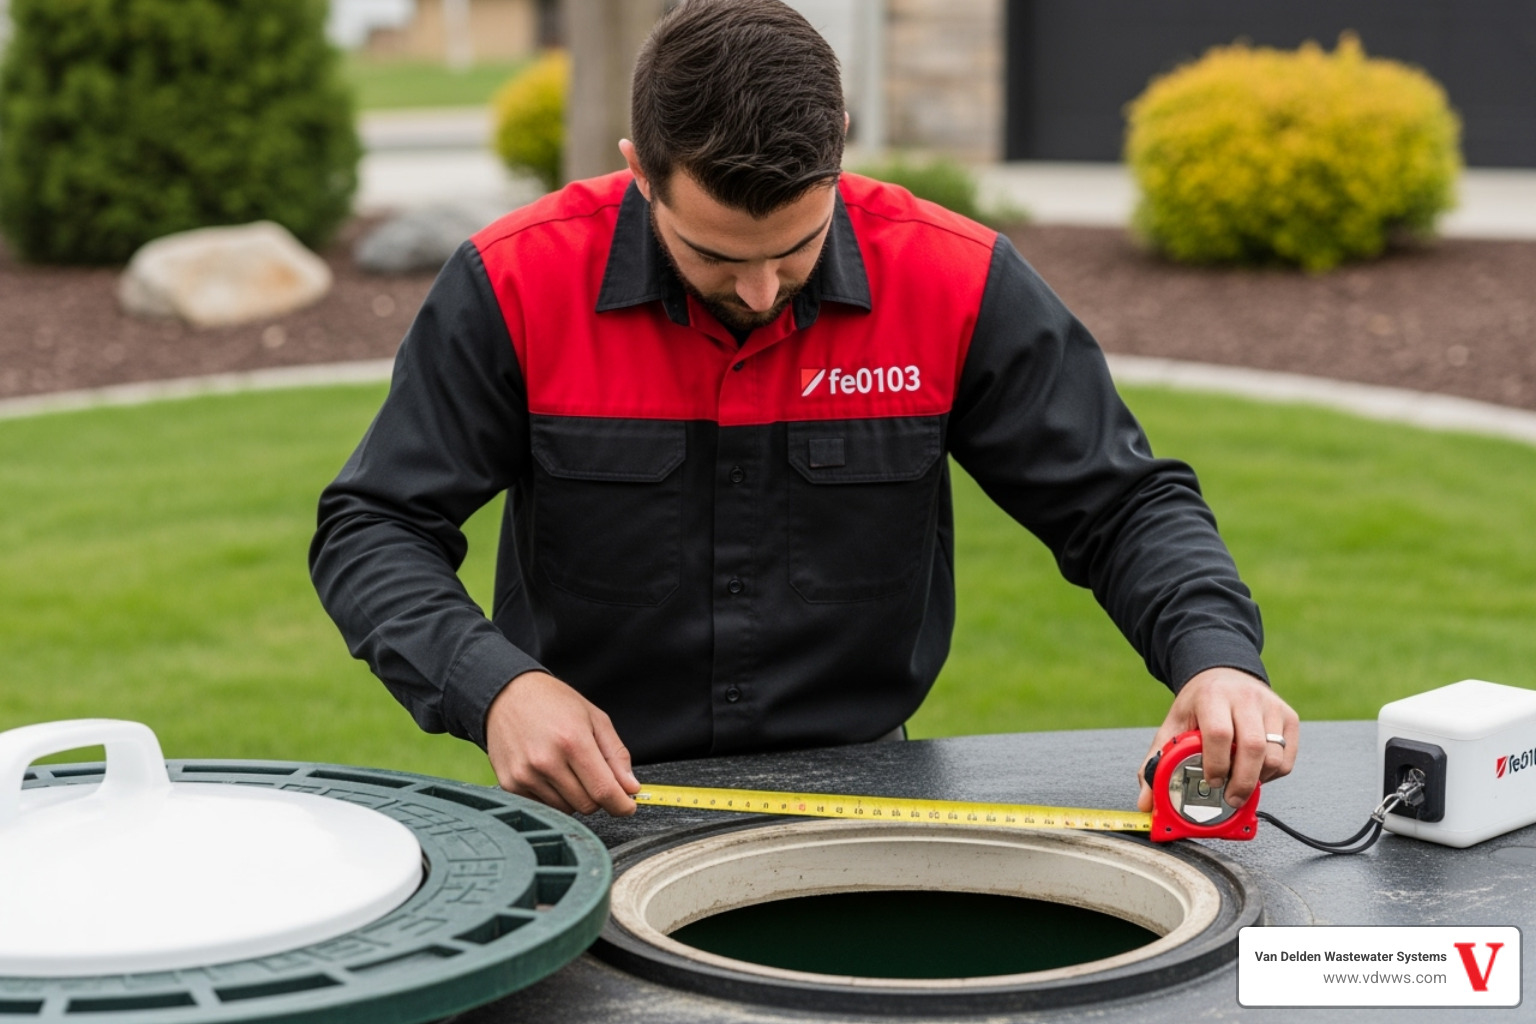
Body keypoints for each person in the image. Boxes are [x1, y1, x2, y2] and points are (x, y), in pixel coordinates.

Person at [310, 0, 1298, 821]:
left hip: (869, 795)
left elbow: (1120, 504)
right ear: (638, 170)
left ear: (841, 156)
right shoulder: (516, 284)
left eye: (796, 248)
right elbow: (375, 525)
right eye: (717, 258)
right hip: (591, 800)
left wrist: (1216, 659)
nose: (759, 290)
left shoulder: (954, 282)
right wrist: (499, 689)